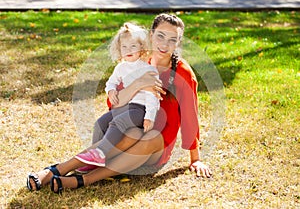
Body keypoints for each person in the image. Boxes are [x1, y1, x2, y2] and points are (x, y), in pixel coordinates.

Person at [26, 13, 212, 194]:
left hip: (157, 144)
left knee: (148, 138)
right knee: (129, 132)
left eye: (173, 39)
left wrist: (195, 159)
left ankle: (83, 179)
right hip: (129, 129)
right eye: (160, 36)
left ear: (178, 43)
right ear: (150, 36)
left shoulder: (182, 73)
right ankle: (58, 169)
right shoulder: (135, 61)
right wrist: (139, 84)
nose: (165, 44)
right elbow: (115, 104)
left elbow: (190, 116)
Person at [74, 22, 160, 168]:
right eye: (124, 47)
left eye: (133, 46)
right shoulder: (120, 67)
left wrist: (149, 117)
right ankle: (92, 158)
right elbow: (111, 82)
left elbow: (153, 97)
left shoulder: (148, 69)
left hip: (141, 110)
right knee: (100, 123)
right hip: (127, 107)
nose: (128, 50)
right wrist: (111, 90)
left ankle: (101, 153)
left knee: (118, 122)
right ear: (119, 50)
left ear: (141, 48)